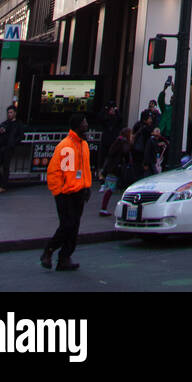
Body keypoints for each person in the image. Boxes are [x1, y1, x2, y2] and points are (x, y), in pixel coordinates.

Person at [40, 114, 92, 272]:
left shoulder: (83, 145)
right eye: (84, 123)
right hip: (66, 192)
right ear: (78, 126)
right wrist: (59, 191)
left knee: (74, 226)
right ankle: (49, 251)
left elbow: (84, 169)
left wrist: (86, 186)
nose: (87, 126)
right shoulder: (67, 146)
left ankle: (65, 257)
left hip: (78, 191)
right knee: (67, 225)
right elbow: (58, 171)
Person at [99, 127, 133, 214]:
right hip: (115, 168)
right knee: (110, 189)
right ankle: (103, 209)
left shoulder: (118, 141)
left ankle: (104, 208)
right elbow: (125, 152)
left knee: (110, 188)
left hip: (111, 168)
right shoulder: (123, 143)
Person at [0, 105, 23, 192]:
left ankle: (3, 185)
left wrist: (13, 143)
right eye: (8, 113)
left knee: (5, 167)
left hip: (9, 148)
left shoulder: (18, 124)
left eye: (11, 112)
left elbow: (21, 136)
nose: (9, 114)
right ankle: (0, 184)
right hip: (2, 147)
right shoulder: (5, 123)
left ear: (15, 113)